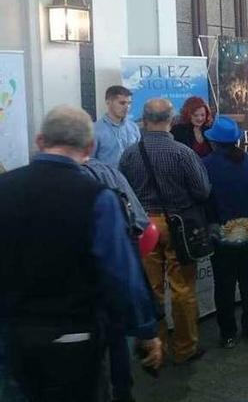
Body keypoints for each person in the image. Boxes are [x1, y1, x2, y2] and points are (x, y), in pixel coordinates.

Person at [0, 106, 162, 401]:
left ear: (39, 141)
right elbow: (121, 274)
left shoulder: (4, 188)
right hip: (73, 336)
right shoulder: (98, 197)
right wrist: (146, 330)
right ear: (90, 147)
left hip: (11, 335)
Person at [119, 98, 211, 364]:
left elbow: (123, 192)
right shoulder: (183, 153)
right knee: (182, 288)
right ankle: (185, 348)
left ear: (144, 120)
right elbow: (203, 190)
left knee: (151, 289)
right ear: (171, 120)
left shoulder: (130, 154)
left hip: (143, 227)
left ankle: (154, 348)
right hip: (178, 224)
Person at [80, 157, 150, 402]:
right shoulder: (108, 178)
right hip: (108, 283)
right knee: (117, 337)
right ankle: (122, 392)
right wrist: (147, 329)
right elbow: (138, 221)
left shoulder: (18, 185)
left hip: (63, 304)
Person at [202, 116, 248, 347]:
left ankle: (228, 333)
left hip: (222, 235)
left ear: (214, 142)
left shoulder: (206, 165)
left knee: (224, 285)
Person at [93, 85, 140, 167]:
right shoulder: (95, 130)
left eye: (129, 103)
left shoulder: (134, 128)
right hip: (107, 178)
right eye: (122, 103)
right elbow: (89, 161)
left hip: (132, 178)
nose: (127, 107)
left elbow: (139, 156)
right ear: (108, 102)